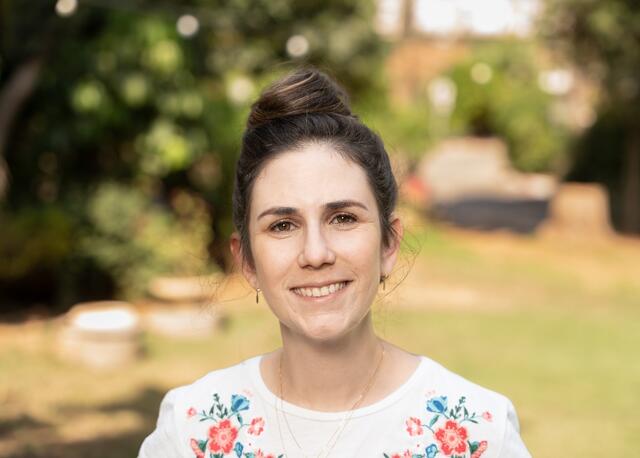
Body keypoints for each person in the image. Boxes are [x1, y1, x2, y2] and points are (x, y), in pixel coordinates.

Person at [138, 68, 531, 458]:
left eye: (342, 218)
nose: (316, 254)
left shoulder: (477, 432)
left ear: (389, 243)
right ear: (248, 261)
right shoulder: (192, 430)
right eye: (283, 225)